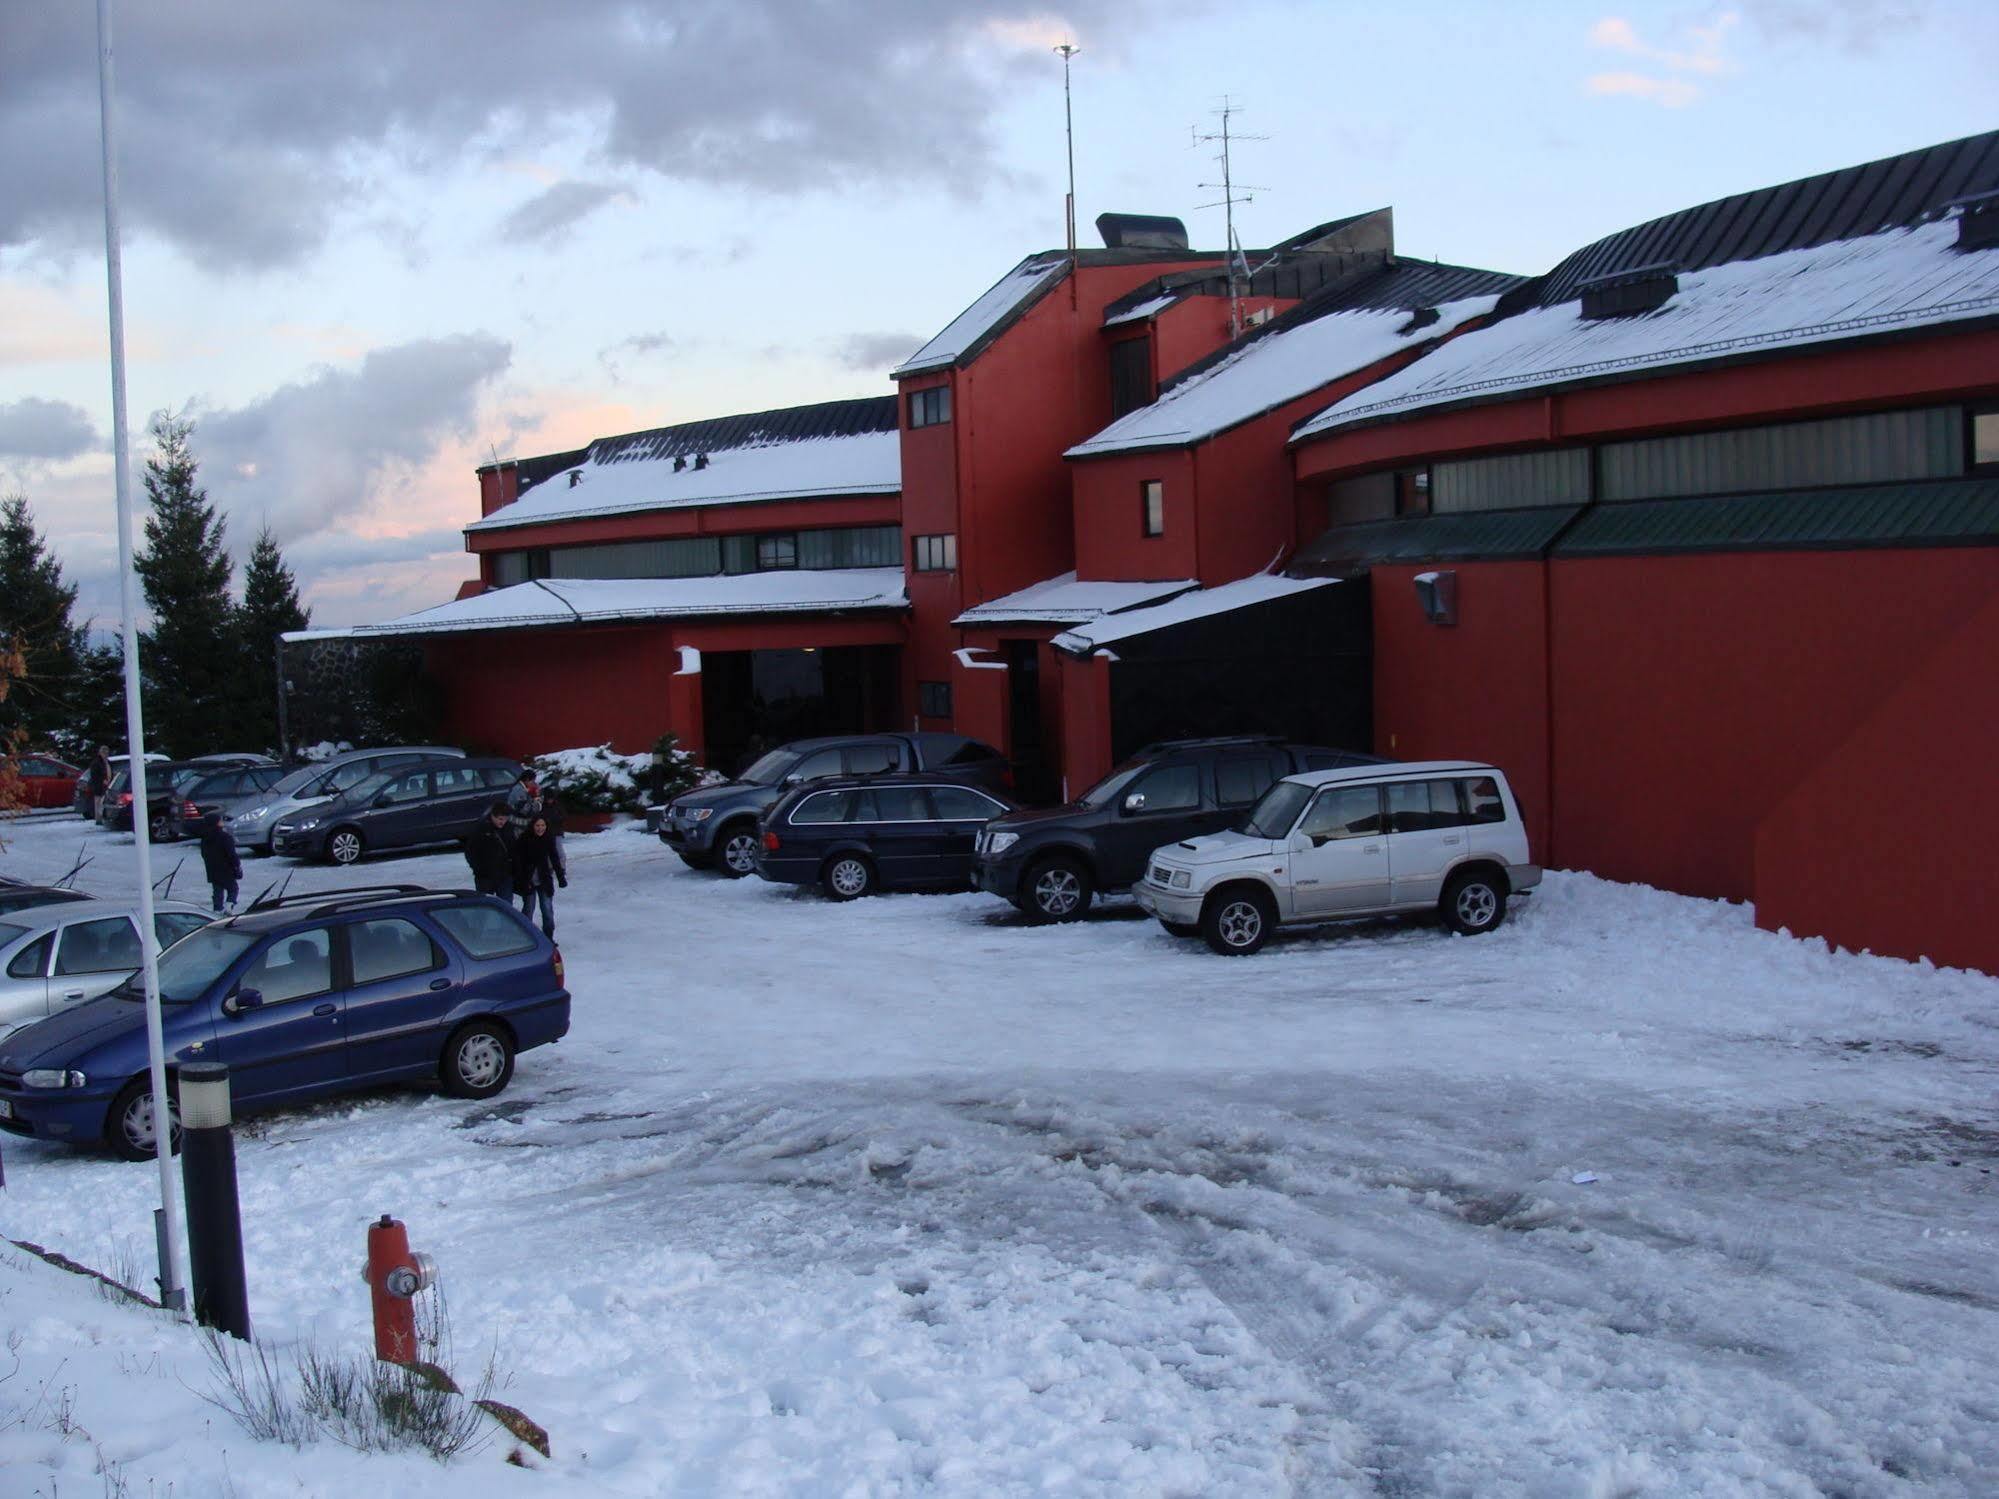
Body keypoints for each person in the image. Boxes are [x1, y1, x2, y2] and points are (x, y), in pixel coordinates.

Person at [513, 812, 566, 937]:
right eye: (537, 825)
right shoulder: (524, 839)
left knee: (547, 910)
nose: (540, 828)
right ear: (533, 826)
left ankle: (548, 937)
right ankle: (527, 937)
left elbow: (554, 858)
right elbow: (518, 861)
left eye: (543, 825)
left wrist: (560, 877)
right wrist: (521, 879)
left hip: (544, 879)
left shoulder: (548, 838)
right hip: (528, 880)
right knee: (528, 910)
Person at [463, 800, 516, 899]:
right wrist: (479, 869)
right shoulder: (481, 829)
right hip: (485, 877)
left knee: (506, 906)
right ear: (492, 816)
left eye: (505, 819)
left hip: (504, 876)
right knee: (485, 906)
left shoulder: (508, 828)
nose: (502, 822)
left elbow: (513, 849)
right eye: (500, 819)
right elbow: (470, 852)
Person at [197, 810, 242, 914]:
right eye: (220, 820)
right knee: (233, 888)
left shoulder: (205, 838)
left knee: (217, 890)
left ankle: (217, 909)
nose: (222, 821)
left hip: (212, 869)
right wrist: (236, 865)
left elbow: (203, 854)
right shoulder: (225, 837)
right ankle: (229, 906)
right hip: (226, 868)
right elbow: (231, 854)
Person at [86, 746, 111, 819]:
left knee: (103, 803)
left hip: (107, 785)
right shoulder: (96, 762)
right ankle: (98, 818)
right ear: (100, 753)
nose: (105, 754)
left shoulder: (107, 762)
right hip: (99, 787)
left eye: (107, 753)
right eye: (104, 752)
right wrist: (103, 780)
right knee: (98, 803)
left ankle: (104, 817)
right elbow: (94, 775)